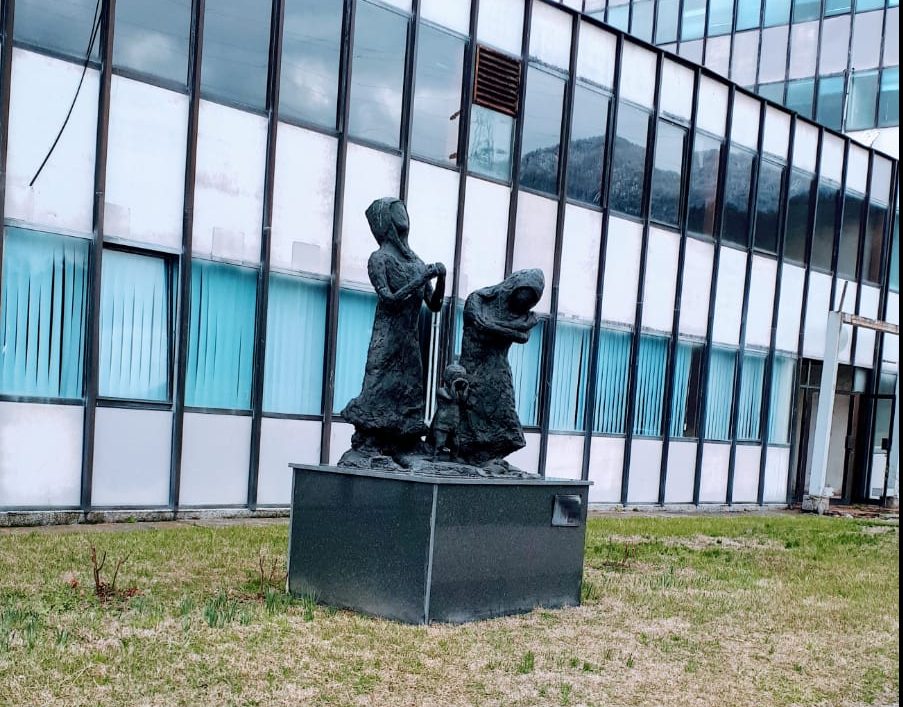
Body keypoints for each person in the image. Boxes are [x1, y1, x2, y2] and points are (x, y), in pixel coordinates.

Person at [340, 197, 446, 458]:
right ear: (384, 220)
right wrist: (421, 278)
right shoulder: (379, 259)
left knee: (409, 391)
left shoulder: (416, 261)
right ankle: (370, 443)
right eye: (395, 211)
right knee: (379, 388)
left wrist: (441, 278)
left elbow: (434, 304)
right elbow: (389, 299)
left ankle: (405, 442)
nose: (403, 215)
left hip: (409, 340)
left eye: (403, 209)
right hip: (387, 339)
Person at [457, 269, 545, 465]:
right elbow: (481, 325)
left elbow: (522, 337)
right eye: (523, 295)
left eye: (530, 301)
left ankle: (491, 457)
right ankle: (471, 455)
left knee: (503, 411)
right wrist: (516, 326)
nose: (524, 303)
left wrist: (511, 327)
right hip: (473, 366)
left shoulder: (520, 316)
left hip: (498, 368)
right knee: (471, 409)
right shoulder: (478, 300)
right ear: (513, 286)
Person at [429, 364, 469, 461]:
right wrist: (454, 385)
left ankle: (453, 458)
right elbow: (451, 398)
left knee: (456, 444)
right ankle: (435, 457)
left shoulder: (458, 393)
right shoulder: (441, 391)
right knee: (440, 443)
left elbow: (464, 399)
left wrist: (466, 387)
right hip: (442, 423)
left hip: (454, 423)